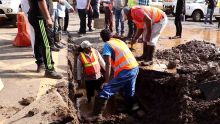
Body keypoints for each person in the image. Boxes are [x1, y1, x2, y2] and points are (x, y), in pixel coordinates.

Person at [90, 29, 139, 120]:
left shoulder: (107, 45)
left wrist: (107, 81)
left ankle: (96, 116)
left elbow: (108, 64)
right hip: (134, 67)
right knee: (129, 91)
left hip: (126, 70)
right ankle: (131, 109)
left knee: (106, 90)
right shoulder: (119, 41)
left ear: (103, 39)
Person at [28, 0, 62, 79]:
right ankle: (49, 69)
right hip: (40, 18)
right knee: (47, 43)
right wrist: (47, 18)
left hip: (37, 16)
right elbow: (41, 1)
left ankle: (40, 63)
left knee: (39, 40)